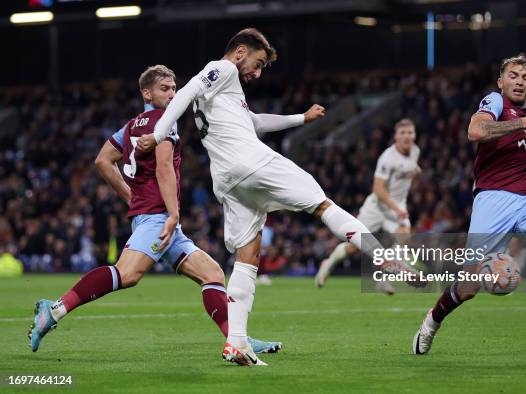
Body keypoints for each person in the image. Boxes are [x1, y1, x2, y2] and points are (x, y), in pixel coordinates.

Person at [137, 28, 419, 366]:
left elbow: (255, 122)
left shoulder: (227, 93)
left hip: (226, 178)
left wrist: (302, 117)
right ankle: (383, 258)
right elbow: (187, 90)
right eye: (256, 64)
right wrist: (157, 134)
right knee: (322, 203)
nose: (257, 73)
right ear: (240, 52)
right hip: (250, 161)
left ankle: (236, 342)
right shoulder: (223, 69)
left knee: (249, 252)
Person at [28, 65, 280, 356]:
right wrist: (172, 214)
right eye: (165, 89)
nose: (172, 94)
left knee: (211, 273)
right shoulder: (164, 121)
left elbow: (102, 160)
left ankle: (237, 341)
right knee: (127, 274)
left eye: (174, 88)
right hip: (159, 218)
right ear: (146, 93)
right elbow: (163, 168)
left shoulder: (132, 125)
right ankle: (55, 310)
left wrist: (131, 198)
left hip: (153, 216)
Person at [412, 53, 526, 355]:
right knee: (469, 285)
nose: (519, 81)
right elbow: (475, 132)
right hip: (494, 197)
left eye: (525, 78)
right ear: (501, 81)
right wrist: (518, 124)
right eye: (513, 76)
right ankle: (431, 323)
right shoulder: (495, 103)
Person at [315, 118, 421, 295]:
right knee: (353, 247)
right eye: (402, 133)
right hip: (377, 207)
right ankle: (329, 262)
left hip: (397, 208)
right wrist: (397, 209)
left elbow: (413, 170)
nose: (406, 136)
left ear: (414, 135)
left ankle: (384, 278)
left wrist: (416, 174)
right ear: (395, 136)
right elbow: (378, 189)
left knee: (403, 238)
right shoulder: (387, 158)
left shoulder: (415, 151)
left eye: (410, 132)